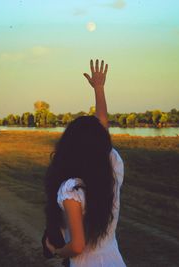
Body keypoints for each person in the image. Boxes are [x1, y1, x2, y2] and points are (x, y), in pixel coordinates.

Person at [44, 59, 126, 267]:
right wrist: (99, 88)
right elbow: (101, 133)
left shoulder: (72, 189)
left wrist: (57, 251)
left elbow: (78, 246)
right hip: (114, 260)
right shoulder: (112, 169)